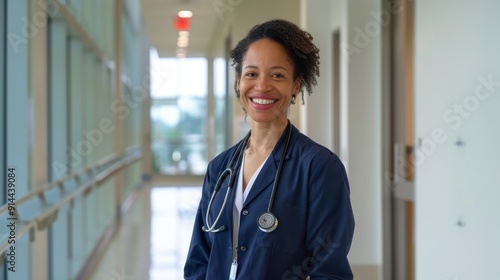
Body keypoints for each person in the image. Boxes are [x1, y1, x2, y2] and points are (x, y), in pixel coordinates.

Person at [184, 19, 354, 280]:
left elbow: (329, 271)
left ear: (296, 84)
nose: (262, 86)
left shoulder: (318, 168)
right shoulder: (220, 168)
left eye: (277, 75)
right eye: (251, 74)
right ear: (239, 81)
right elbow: (199, 261)